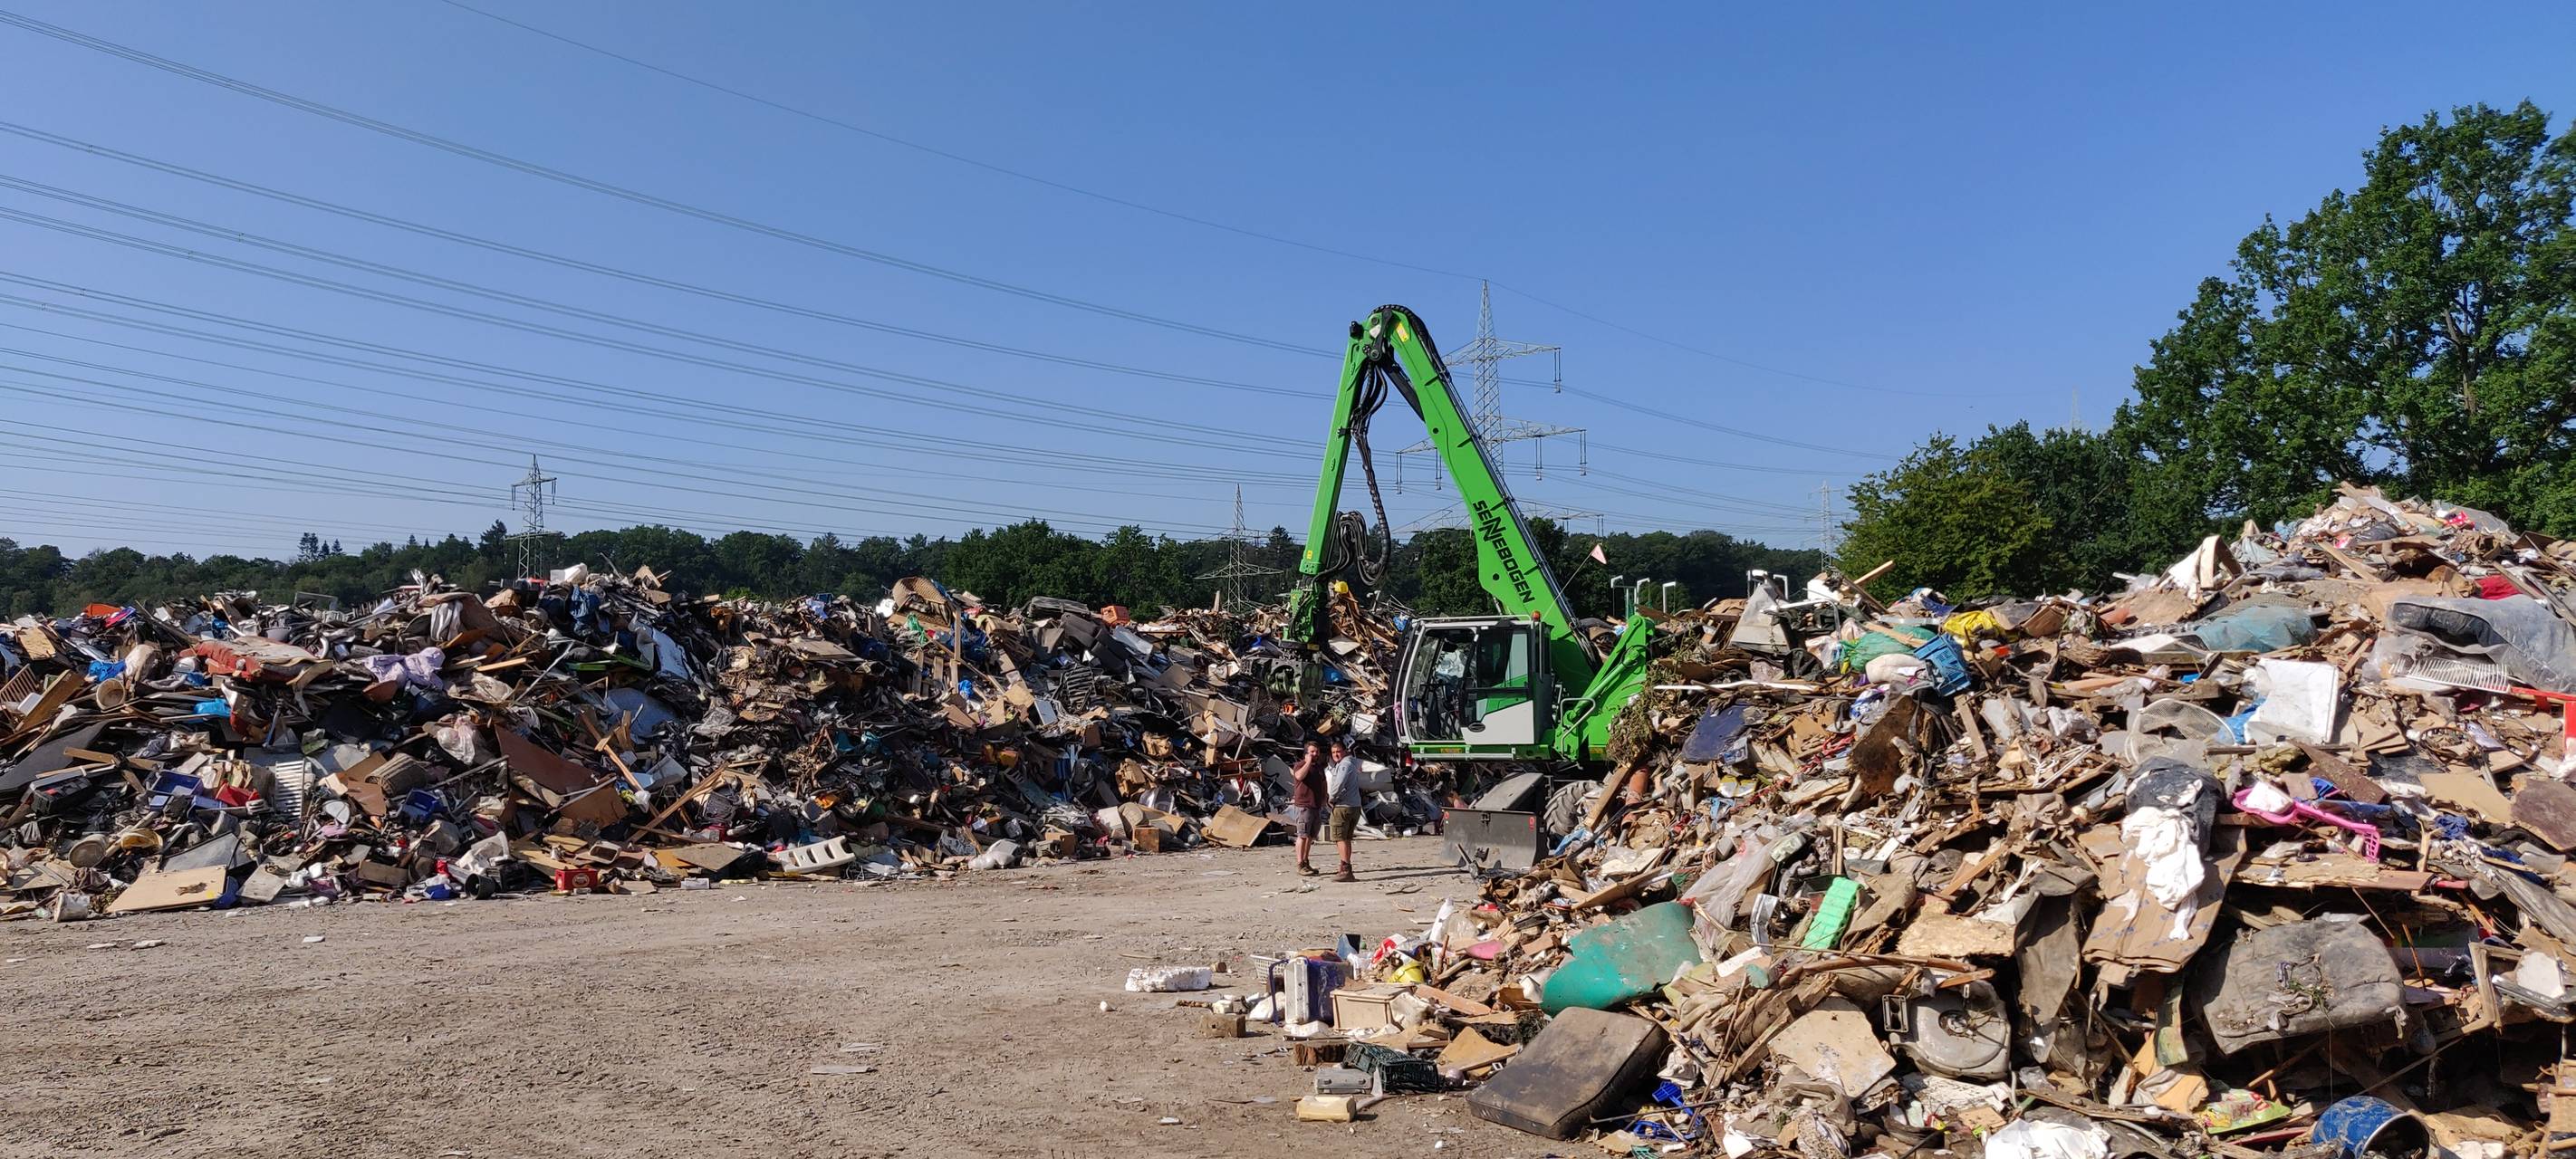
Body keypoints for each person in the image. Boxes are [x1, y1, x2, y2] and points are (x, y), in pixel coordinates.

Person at [1322, 737, 1364, 882]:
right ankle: (1345, 866)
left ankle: (1346, 869)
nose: (1336, 755)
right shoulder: (1352, 763)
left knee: (1340, 838)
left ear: (1345, 751)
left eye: (1338, 751)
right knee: (1346, 838)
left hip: (1343, 807)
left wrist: (1330, 798)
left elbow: (1339, 784)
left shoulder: (1344, 765)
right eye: (1333, 752)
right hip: (1354, 806)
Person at [1286, 740, 1327, 876]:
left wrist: (1324, 798)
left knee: (1310, 836)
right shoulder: (1300, 765)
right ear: (1306, 753)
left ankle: (1306, 861)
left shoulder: (1319, 767)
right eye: (1312, 752)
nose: (1315, 754)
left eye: (1317, 752)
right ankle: (1299, 864)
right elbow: (1299, 776)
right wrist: (1308, 762)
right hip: (1304, 806)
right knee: (1302, 835)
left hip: (1316, 805)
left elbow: (1323, 782)